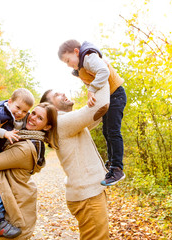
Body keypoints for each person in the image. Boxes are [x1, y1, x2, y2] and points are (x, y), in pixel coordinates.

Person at [40, 82, 111, 240]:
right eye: (57, 95)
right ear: (51, 107)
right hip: (88, 197)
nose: (63, 94)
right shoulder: (62, 123)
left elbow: (100, 113)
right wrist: (102, 76)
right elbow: (101, 105)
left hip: (89, 194)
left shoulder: (67, 123)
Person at [0, 102, 59, 239]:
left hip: (16, 215)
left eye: (40, 118)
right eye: (33, 113)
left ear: (47, 126)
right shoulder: (28, 138)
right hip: (18, 207)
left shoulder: (25, 148)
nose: (33, 118)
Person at [58, 39, 127, 186]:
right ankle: (111, 163)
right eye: (65, 63)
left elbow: (104, 71)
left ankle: (117, 168)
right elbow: (93, 82)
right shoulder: (81, 68)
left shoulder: (88, 57)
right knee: (107, 132)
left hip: (116, 95)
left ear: (77, 52)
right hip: (109, 97)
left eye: (68, 60)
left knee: (113, 131)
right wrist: (92, 96)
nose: (68, 64)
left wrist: (92, 89)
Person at [0, 88, 34, 238]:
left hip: (1, 156)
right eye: (17, 107)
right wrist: (4, 133)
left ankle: (7, 217)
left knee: (4, 187)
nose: (20, 113)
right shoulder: (0, 112)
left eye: (24, 111)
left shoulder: (21, 117)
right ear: (9, 102)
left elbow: (23, 132)